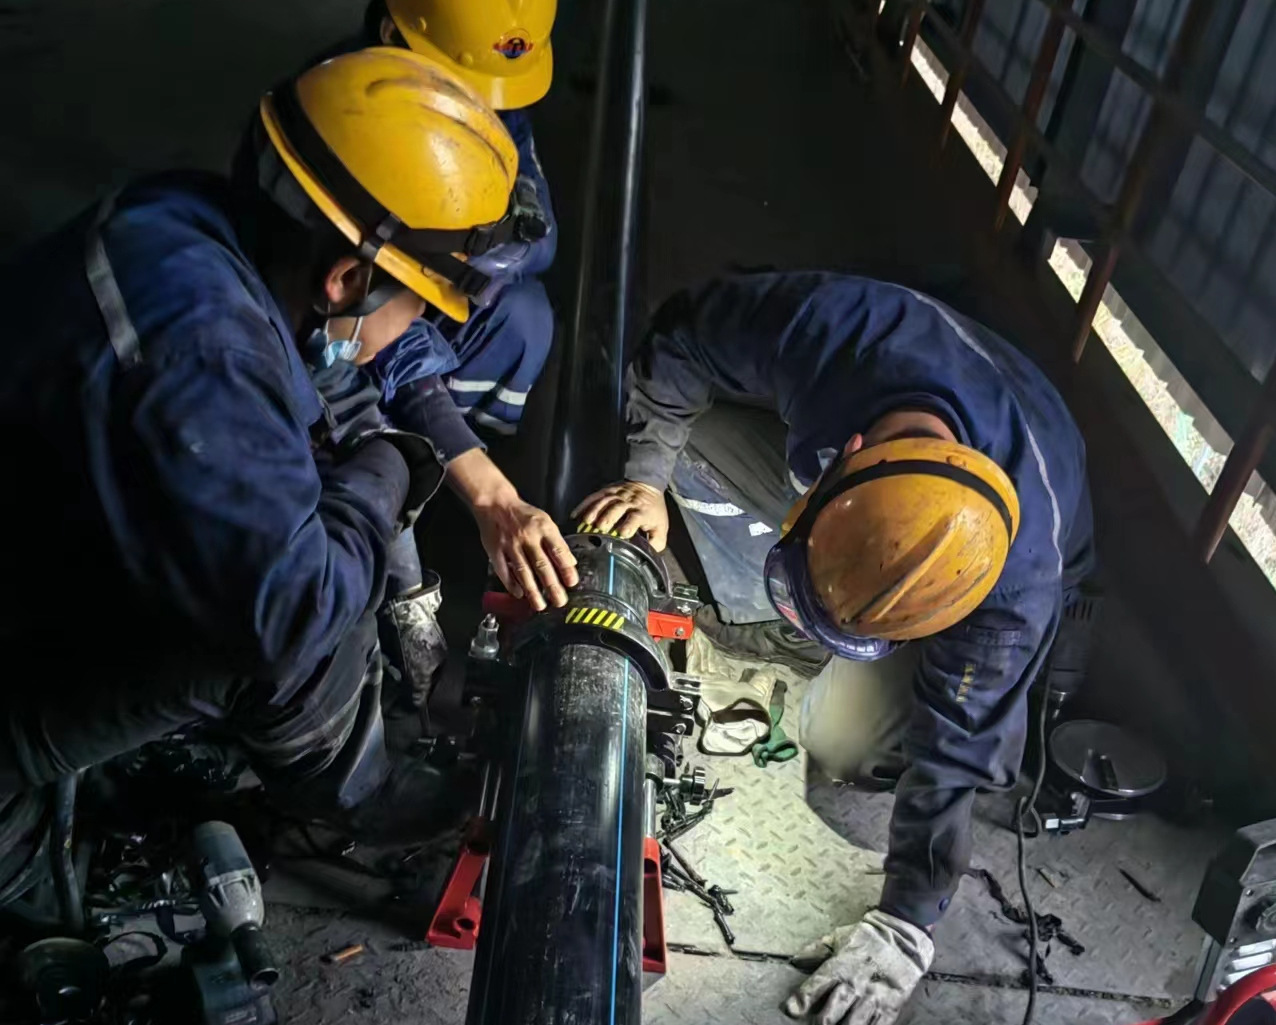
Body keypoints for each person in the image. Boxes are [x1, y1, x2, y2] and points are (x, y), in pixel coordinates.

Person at [0, 49, 576, 851]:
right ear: (348, 279)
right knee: (303, 622)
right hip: (20, 657)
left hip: (47, 526)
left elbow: (332, 382)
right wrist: (389, 469)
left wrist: (400, 463)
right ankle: (355, 789)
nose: (417, 326)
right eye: (420, 305)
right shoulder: (206, 358)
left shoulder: (209, 228)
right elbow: (291, 615)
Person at [574, 271, 1094, 1025]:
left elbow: (957, 752)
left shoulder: (1013, 586)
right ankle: (812, 601)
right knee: (688, 443)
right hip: (902, 403)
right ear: (846, 455)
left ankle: (872, 652)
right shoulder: (829, 331)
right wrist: (646, 478)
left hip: (1010, 564)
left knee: (844, 744)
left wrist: (906, 923)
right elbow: (681, 334)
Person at [312, 0, 567, 615]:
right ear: (391, 33)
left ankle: (448, 483)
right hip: (339, 339)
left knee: (522, 319)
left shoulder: (483, 90)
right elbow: (369, 355)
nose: (479, 111)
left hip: (360, 316)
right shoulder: (356, 139)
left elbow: (539, 241)